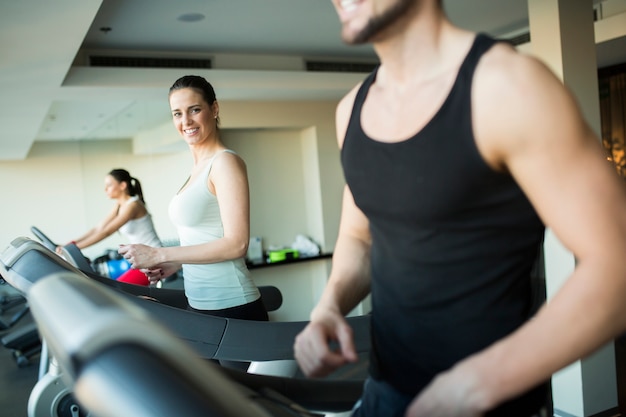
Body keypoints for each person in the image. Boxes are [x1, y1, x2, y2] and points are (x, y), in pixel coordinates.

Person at [293, 1, 626, 416]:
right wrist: (327, 306)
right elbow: (358, 236)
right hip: (382, 392)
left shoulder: (506, 86)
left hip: (485, 401)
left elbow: (617, 266)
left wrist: (476, 384)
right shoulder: (351, 110)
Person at [118, 75, 268, 369]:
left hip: (233, 308)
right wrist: (177, 264)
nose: (185, 120)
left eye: (194, 109)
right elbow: (204, 236)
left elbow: (236, 244)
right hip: (200, 305)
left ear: (214, 108)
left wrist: (160, 254)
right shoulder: (197, 168)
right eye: (177, 113)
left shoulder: (225, 163)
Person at [60, 169, 162, 286]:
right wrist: (71, 244)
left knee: (117, 290)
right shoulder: (120, 205)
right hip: (140, 258)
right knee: (113, 289)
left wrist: (73, 249)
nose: (105, 189)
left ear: (122, 185)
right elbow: (99, 228)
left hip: (152, 259)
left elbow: (107, 231)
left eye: (109, 185)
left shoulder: (133, 205)